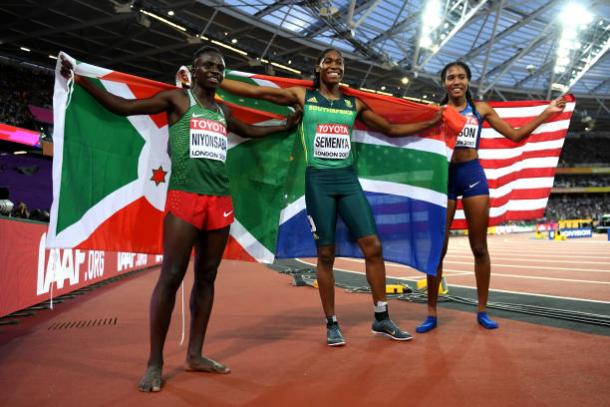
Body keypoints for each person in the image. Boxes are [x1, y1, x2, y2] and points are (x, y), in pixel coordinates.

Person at [60, 46, 301, 392]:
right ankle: (154, 363)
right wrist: (81, 81)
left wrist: (283, 124)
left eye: (220, 67)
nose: (215, 71)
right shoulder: (177, 100)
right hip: (184, 198)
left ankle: (196, 354)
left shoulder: (222, 110)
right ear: (194, 70)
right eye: (208, 65)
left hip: (219, 201)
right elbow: (124, 107)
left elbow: (248, 132)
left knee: (207, 277)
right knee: (171, 276)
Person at [220, 48, 443, 346]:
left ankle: (381, 317)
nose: (335, 65)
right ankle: (331, 322)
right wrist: (215, 78)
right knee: (326, 254)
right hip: (319, 181)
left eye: (340, 62)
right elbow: (254, 92)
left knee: (373, 246)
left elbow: (390, 129)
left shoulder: (353, 103)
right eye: (329, 61)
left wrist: (432, 121)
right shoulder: (303, 96)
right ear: (318, 67)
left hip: (348, 181)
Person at [416, 61, 566, 333]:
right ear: (444, 83)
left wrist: (547, 112)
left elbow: (515, 135)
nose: (456, 81)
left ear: (468, 81)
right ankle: (431, 313)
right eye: (451, 77)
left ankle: (482, 310)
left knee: (479, 247)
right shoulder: (437, 112)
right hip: (444, 177)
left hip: (472, 175)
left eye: (461, 76)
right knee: (438, 248)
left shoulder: (481, 109)